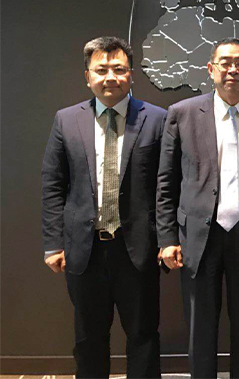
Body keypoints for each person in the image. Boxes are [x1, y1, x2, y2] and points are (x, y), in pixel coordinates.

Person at [156, 38, 239, 378]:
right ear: (210, 69)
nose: (232, 70)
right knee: (200, 324)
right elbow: (166, 181)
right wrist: (167, 239)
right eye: (225, 62)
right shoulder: (182, 113)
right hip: (199, 232)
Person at [41, 36, 165, 378]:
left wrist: (166, 238)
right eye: (101, 69)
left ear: (131, 74)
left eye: (119, 69)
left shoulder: (157, 119)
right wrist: (53, 244)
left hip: (138, 248)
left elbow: (167, 185)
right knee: (88, 338)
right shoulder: (66, 120)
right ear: (87, 76)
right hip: (85, 249)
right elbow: (53, 185)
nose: (110, 76)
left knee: (143, 335)